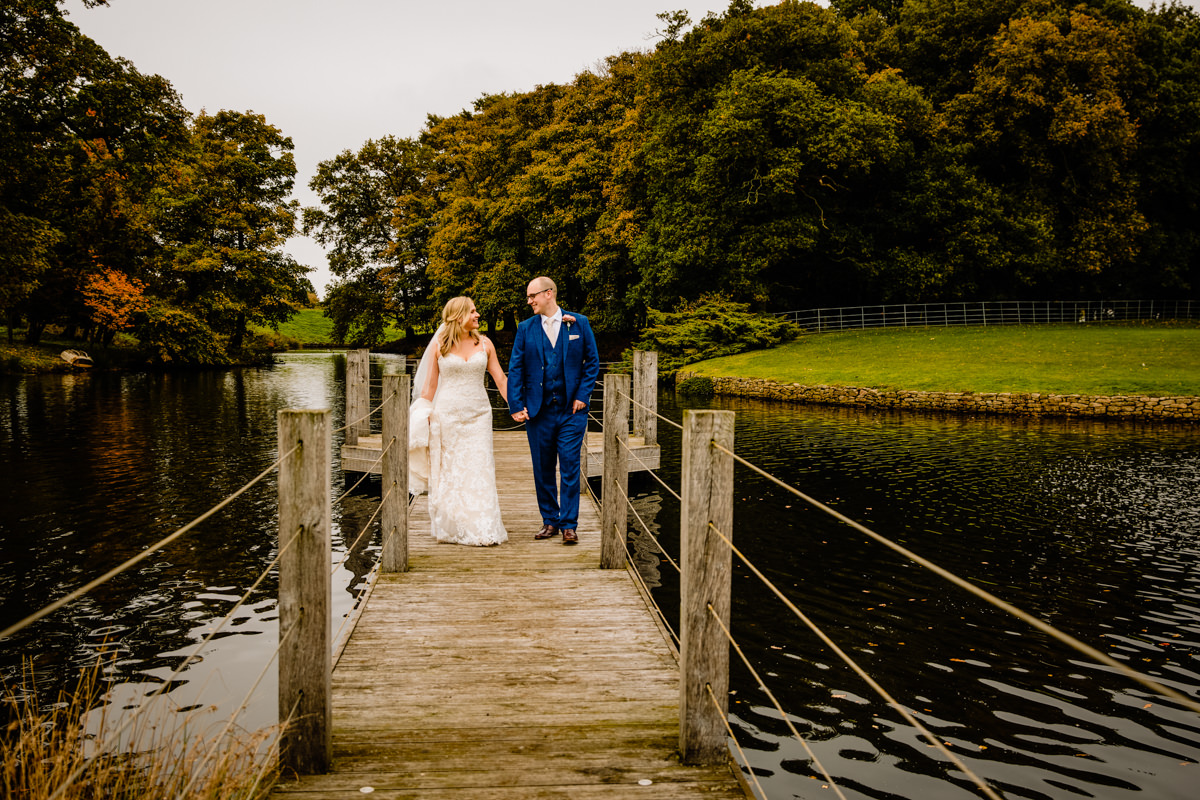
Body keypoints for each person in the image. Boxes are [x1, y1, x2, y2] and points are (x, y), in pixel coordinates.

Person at [409, 297, 509, 546]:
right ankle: (455, 526)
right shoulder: (440, 346)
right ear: (458, 316)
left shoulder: (485, 344)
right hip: (447, 416)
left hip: (479, 416)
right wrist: (424, 416)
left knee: (480, 468)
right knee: (452, 471)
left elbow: (501, 379)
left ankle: (484, 527)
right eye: (472, 311)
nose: (477, 315)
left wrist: (517, 406)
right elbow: (429, 388)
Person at [507, 277, 600, 544]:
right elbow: (516, 368)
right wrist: (516, 405)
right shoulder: (525, 329)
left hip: (572, 411)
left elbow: (592, 361)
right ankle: (550, 521)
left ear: (549, 294)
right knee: (543, 467)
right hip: (539, 412)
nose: (529, 301)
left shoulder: (578, 323)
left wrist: (583, 395)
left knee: (570, 467)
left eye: (532, 295)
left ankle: (569, 525)